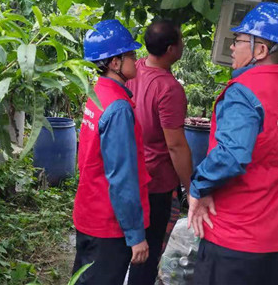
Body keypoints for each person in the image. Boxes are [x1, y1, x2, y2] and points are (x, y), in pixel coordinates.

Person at [187, 2, 278, 285]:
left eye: (239, 40)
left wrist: (198, 186)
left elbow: (230, 156)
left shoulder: (245, 92)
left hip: (234, 239)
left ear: (260, 50)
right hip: (275, 240)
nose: (232, 47)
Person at [72, 19, 151, 284]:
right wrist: (135, 235)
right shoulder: (118, 108)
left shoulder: (97, 94)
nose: (136, 60)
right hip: (108, 223)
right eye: (131, 54)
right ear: (115, 63)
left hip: (88, 211)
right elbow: (122, 177)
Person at [127, 19, 192, 285]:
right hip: (156, 184)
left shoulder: (134, 69)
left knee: (131, 246)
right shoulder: (168, 89)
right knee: (148, 252)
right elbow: (175, 145)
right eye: (180, 40)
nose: (183, 44)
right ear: (170, 49)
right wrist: (191, 187)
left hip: (130, 175)